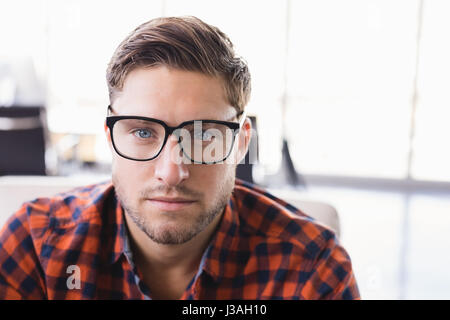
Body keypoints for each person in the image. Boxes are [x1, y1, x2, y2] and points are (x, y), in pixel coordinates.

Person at [0, 16, 360, 300]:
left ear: (240, 144)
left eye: (203, 136)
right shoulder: (34, 246)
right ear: (110, 137)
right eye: (143, 132)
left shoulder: (312, 269)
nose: (171, 173)